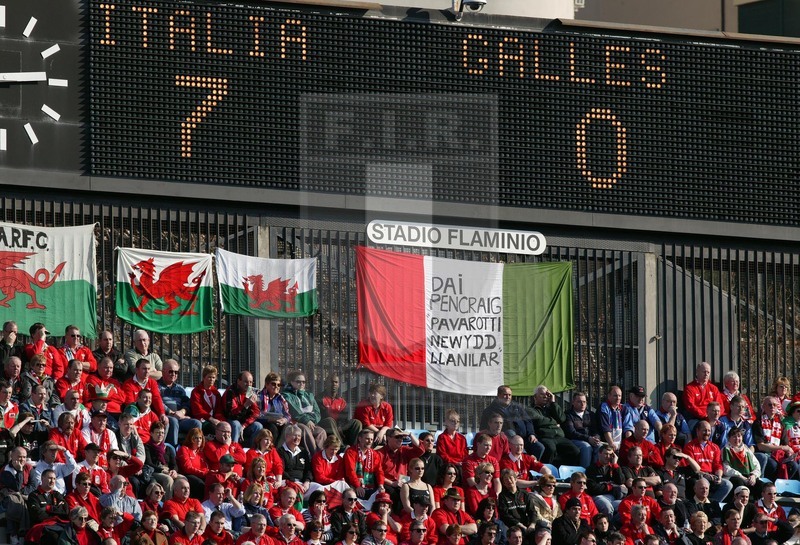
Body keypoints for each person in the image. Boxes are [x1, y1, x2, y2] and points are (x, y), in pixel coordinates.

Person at [479, 385, 544, 460]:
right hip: (508, 440)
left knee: (540, 448)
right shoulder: (490, 410)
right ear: (498, 395)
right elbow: (483, 429)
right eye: (505, 394)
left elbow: (528, 421)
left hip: (525, 438)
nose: (508, 397)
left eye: (509, 395)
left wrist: (531, 434)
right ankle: (521, 464)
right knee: (511, 434)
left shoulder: (517, 407)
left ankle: (531, 468)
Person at [683, 421, 733, 503]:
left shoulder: (715, 447)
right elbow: (690, 467)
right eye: (704, 430)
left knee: (727, 485)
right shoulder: (689, 447)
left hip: (712, 477)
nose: (707, 433)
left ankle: (710, 504)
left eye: (709, 430)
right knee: (700, 483)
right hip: (697, 476)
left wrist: (719, 476)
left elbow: (718, 465)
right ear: (697, 431)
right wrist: (705, 475)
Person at [528, 385, 580, 465]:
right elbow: (539, 421)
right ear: (535, 397)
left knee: (575, 450)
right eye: (542, 394)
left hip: (559, 437)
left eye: (547, 394)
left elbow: (562, 419)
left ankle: (565, 472)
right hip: (545, 437)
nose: (545, 396)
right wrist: (554, 422)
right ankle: (547, 473)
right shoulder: (531, 409)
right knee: (551, 449)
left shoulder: (551, 408)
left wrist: (553, 402)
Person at [282, 371, 332, 453]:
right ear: (291, 382)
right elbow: (294, 411)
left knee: (321, 432)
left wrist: (312, 421)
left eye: (304, 382)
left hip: (311, 423)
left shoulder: (309, 395)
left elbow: (317, 411)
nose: (302, 384)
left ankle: (321, 456)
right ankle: (313, 455)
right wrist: (306, 421)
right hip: (296, 423)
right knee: (305, 430)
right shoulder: (287, 395)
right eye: (298, 381)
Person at [159, 359, 201, 446]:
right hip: (165, 418)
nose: (173, 374)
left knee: (196, 423)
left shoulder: (180, 388)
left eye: (176, 372)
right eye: (170, 371)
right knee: (174, 421)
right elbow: (157, 402)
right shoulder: (156, 386)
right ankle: (172, 451)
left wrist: (182, 412)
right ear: (163, 372)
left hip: (180, 418)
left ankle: (192, 451)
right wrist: (172, 413)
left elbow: (188, 403)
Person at [315, 374, 362, 447]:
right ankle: (341, 447)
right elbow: (323, 415)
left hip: (339, 426)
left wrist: (340, 426)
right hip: (325, 425)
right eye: (331, 382)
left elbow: (344, 417)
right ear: (326, 383)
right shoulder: (319, 398)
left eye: (336, 382)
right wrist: (337, 426)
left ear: (339, 384)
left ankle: (354, 448)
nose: (334, 384)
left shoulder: (342, 400)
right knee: (329, 420)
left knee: (356, 423)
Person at [222, 371, 262, 447]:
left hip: (243, 424)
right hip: (230, 421)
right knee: (236, 424)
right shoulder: (230, 392)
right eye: (246, 382)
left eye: (251, 382)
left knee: (258, 426)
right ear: (238, 381)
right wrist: (246, 405)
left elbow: (256, 412)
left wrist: (244, 426)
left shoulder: (249, 391)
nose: (249, 385)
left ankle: (252, 452)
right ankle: (233, 449)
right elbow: (231, 415)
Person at [563, 391, 602, 468]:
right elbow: (571, 433)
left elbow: (595, 430)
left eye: (584, 401)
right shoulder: (568, 415)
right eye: (579, 402)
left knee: (599, 446)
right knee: (586, 447)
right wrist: (588, 438)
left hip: (590, 439)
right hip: (575, 440)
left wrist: (596, 438)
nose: (582, 404)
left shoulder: (591, 414)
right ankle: (585, 471)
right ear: (573, 402)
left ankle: (595, 471)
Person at [343, 428, 384, 498]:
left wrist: (381, 485)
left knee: (383, 496)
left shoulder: (375, 454)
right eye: (367, 439)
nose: (370, 442)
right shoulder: (351, 452)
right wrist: (357, 486)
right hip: (353, 485)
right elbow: (350, 471)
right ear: (360, 439)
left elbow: (379, 471)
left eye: (371, 439)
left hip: (370, 486)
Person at [586, 444, 625, 516]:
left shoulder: (614, 467)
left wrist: (615, 464)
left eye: (610, 455)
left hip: (611, 497)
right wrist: (609, 486)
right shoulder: (591, 469)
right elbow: (593, 488)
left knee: (625, 506)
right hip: (597, 496)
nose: (608, 457)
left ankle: (613, 525)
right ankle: (608, 527)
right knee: (608, 508)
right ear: (599, 454)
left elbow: (621, 481)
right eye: (606, 454)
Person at [495, 469, 536, 534]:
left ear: (515, 479)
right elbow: (505, 515)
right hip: (511, 526)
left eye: (510, 478)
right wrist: (519, 524)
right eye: (506, 479)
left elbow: (532, 511)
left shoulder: (525, 494)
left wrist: (533, 524)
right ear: (504, 483)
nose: (509, 481)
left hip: (527, 525)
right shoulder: (502, 496)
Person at [146, 420, 179, 499]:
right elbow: (149, 463)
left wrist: (174, 471)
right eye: (157, 432)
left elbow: (174, 464)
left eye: (162, 433)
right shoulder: (147, 447)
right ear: (151, 433)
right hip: (155, 471)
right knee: (168, 480)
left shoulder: (167, 448)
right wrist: (162, 470)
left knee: (182, 479)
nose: (160, 435)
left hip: (168, 470)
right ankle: (168, 503)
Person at [279, 424, 314, 496]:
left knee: (319, 489)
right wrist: (294, 482)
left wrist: (307, 481)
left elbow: (308, 469)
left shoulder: (303, 451)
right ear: (287, 436)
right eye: (294, 435)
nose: (297, 438)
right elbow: (281, 471)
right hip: (287, 483)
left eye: (299, 436)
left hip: (303, 484)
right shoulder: (280, 451)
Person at [190, 365, 225, 434]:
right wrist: (211, 419)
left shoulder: (216, 393)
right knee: (213, 429)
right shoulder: (196, 392)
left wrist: (220, 420)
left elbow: (219, 409)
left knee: (225, 427)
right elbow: (197, 410)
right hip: (202, 419)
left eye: (213, 377)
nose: (211, 379)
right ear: (204, 377)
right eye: (209, 377)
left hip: (214, 419)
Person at [176, 427, 210, 499]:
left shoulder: (201, 453)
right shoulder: (184, 449)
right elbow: (187, 468)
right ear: (191, 438)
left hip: (201, 475)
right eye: (196, 438)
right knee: (200, 484)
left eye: (200, 438)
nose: (199, 440)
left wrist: (210, 473)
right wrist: (204, 473)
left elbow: (205, 467)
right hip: (187, 475)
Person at [598, 386, 626, 452]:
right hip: (605, 442)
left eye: (619, 396)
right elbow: (605, 428)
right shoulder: (604, 407)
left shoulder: (624, 408)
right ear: (609, 396)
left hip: (620, 443)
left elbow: (628, 427)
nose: (618, 398)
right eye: (615, 396)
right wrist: (611, 444)